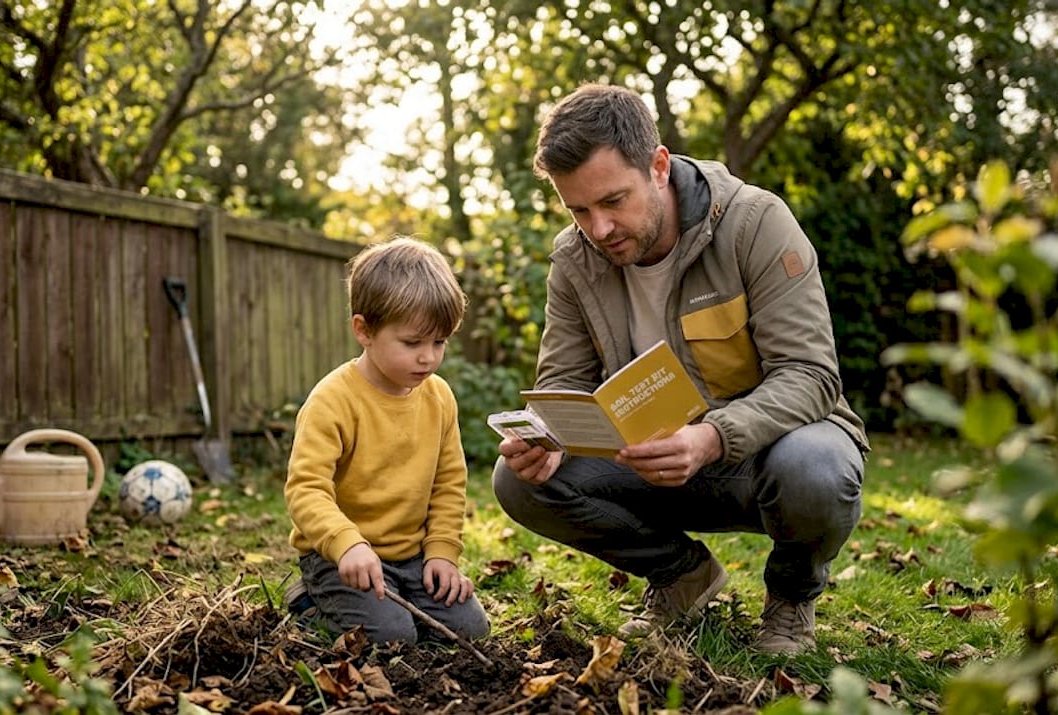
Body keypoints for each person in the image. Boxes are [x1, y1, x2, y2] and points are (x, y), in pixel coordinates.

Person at [492, 84, 869, 655]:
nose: (598, 228)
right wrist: (546, 437)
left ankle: (791, 599)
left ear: (659, 166)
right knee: (517, 481)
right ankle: (682, 577)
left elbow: (810, 374)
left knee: (817, 468)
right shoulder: (574, 260)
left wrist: (714, 436)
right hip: (645, 463)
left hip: (762, 460)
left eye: (613, 201)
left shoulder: (756, 222)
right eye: (579, 210)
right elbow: (562, 383)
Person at [284, 236, 490, 644]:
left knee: (470, 630)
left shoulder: (439, 397)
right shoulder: (333, 400)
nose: (428, 358)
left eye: (439, 342)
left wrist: (442, 555)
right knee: (392, 637)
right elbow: (306, 490)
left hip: (411, 558)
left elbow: (448, 484)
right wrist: (346, 545)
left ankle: (391, 600)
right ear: (364, 330)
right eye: (412, 343)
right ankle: (308, 603)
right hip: (341, 557)